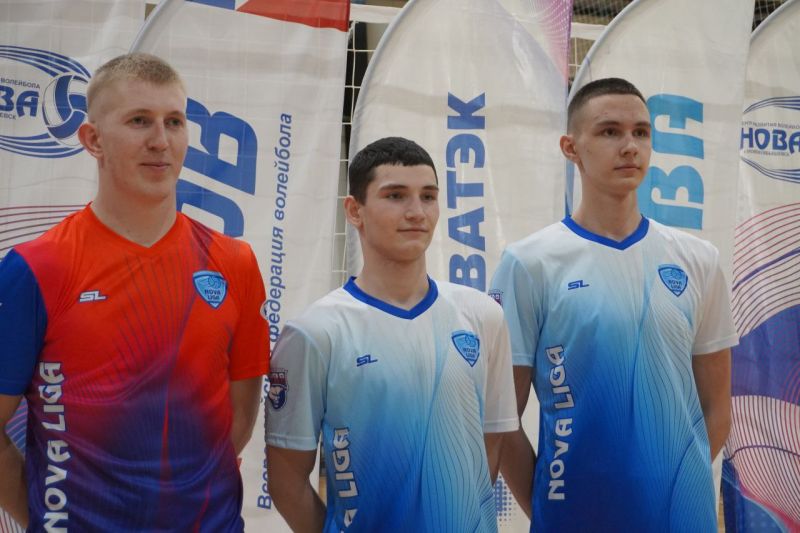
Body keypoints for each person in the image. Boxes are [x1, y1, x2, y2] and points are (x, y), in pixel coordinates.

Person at [0, 53, 269, 531]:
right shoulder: (37, 268)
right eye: (139, 120)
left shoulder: (234, 262)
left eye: (175, 122)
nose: (160, 141)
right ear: (93, 139)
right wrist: (44, 518)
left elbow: (241, 413)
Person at [491, 77, 737, 532]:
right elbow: (501, 416)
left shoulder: (698, 260)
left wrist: (674, 488)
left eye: (641, 132)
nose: (630, 146)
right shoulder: (529, 263)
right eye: (609, 132)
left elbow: (717, 407)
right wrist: (549, 506)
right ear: (570, 147)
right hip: (573, 518)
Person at [266, 136, 518, 532]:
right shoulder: (314, 333)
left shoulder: (483, 316)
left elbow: (490, 445)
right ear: (355, 210)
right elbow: (286, 480)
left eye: (428, 196)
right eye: (396, 196)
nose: (417, 212)